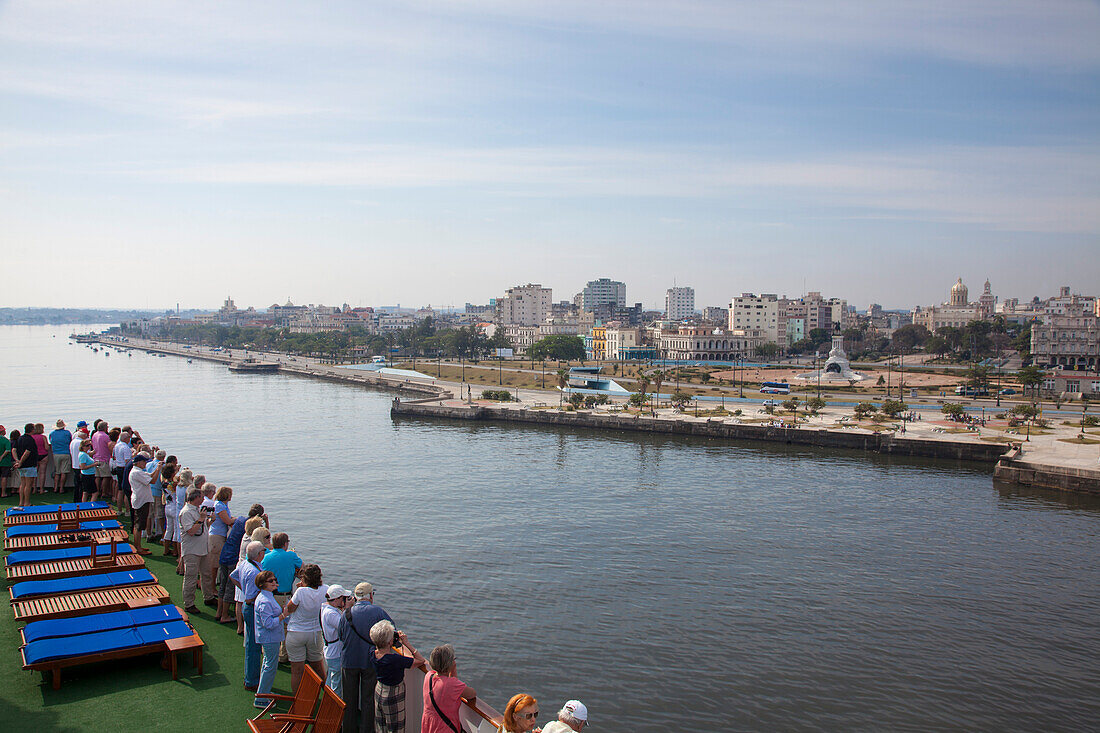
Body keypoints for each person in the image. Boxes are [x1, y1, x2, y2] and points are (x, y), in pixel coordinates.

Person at [338, 582, 393, 733]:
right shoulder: (378, 612)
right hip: (370, 661)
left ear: (355, 597)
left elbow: (340, 635)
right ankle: (366, 730)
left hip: (349, 660)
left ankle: (348, 729)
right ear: (370, 596)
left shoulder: (346, 614)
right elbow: (391, 632)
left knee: (348, 699)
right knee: (368, 700)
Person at [371, 619, 425, 733]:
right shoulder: (395, 660)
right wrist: (406, 643)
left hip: (379, 690)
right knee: (396, 729)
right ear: (390, 642)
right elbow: (420, 660)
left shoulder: (372, 653)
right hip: (393, 695)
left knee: (381, 727)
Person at [284, 563, 329, 694]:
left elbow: (290, 609)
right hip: (315, 634)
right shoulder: (325, 589)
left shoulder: (300, 592)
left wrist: (299, 590)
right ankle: (328, 695)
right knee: (319, 668)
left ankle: (298, 701)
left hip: (296, 633)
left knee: (297, 670)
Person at [230, 539, 267, 689]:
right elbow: (251, 597)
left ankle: (251, 678)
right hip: (252, 607)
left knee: (252, 643)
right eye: (263, 551)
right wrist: (252, 595)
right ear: (259, 554)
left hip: (247, 606)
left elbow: (233, 576)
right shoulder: (254, 572)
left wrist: (244, 590)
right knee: (253, 646)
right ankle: (252, 680)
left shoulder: (245, 564)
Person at [261, 531, 302, 661]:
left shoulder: (266, 556)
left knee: (269, 623)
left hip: (270, 596)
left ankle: (267, 652)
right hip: (285, 596)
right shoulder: (291, 556)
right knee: (285, 626)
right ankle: (283, 654)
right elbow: (303, 567)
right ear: (285, 544)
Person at [422, 644, 477, 733]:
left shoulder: (429, 676)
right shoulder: (452, 684)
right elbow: (472, 694)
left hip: (429, 725)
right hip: (444, 728)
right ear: (449, 664)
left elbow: (448, 684)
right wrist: (454, 670)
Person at [253, 570, 288, 708]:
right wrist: (283, 616)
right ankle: (261, 699)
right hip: (269, 638)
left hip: (270, 638)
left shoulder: (267, 597)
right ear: (263, 584)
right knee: (270, 667)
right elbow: (268, 624)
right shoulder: (265, 601)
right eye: (271, 581)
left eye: (275, 580)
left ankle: (264, 693)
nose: (275, 582)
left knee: (267, 665)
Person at [178, 487, 216, 613]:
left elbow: (202, 528)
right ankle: (189, 603)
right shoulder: (186, 512)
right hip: (192, 550)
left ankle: (208, 597)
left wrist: (209, 521)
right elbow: (191, 531)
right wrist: (201, 518)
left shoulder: (198, 511)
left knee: (207, 574)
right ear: (195, 497)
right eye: (201, 497)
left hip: (203, 548)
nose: (202, 499)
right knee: (191, 577)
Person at [320, 585, 353, 697]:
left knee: (331, 680)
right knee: (336, 684)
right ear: (337, 599)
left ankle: (327, 704)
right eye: (343, 598)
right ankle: (335, 709)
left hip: (331, 650)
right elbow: (345, 627)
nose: (345, 600)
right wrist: (347, 609)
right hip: (335, 653)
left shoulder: (326, 608)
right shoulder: (331, 613)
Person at [216, 514, 248, 624]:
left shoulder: (240, 520)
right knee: (229, 588)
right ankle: (224, 615)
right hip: (232, 558)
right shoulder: (248, 528)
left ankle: (219, 612)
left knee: (222, 586)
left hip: (224, 554)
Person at [127, 453, 160, 555]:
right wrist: (158, 469)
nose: (145, 463)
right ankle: (138, 547)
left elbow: (150, 475)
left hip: (141, 499)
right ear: (139, 462)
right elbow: (153, 481)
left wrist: (156, 469)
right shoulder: (137, 473)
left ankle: (138, 546)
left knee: (139, 524)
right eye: (144, 461)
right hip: (141, 501)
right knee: (139, 525)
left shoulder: (138, 471)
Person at [208, 486, 235, 589]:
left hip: (220, 535)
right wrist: (237, 520)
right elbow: (227, 521)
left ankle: (214, 585)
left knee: (217, 563)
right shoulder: (219, 506)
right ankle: (212, 587)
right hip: (216, 537)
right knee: (214, 565)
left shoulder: (223, 505)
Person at [164, 468, 192, 557]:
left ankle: (166, 550)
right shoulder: (184, 487)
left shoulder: (173, 485)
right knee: (178, 533)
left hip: (168, 507)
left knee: (169, 529)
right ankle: (177, 552)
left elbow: (176, 480)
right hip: (175, 509)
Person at [12, 424, 40, 508]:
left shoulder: (19, 438)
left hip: (22, 466)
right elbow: (27, 452)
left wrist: (17, 460)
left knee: (23, 484)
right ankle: (27, 502)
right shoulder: (30, 440)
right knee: (28, 484)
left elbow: (14, 450)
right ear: (32, 430)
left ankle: (21, 502)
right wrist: (20, 461)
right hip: (29, 465)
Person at [49, 420, 73, 495]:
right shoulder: (67, 433)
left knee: (57, 472)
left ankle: (55, 487)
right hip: (66, 453)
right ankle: (61, 488)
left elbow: (51, 442)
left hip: (56, 454)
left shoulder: (52, 434)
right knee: (64, 472)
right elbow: (70, 441)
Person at [91, 421, 112, 502]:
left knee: (97, 477)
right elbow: (109, 447)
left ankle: (97, 491)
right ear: (104, 428)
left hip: (96, 458)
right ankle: (104, 492)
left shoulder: (94, 435)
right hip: (104, 458)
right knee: (106, 477)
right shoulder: (106, 436)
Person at [69, 423, 90, 502]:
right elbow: (86, 453)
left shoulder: (73, 442)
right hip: (81, 466)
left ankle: (76, 500)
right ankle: (81, 501)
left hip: (75, 465)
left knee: (77, 485)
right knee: (82, 486)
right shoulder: (81, 443)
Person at [33, 423, 50, 494]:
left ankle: (34, 489)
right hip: (43, 455)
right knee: (42, 473)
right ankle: (41, 489)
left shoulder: (32, 437)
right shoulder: (43, 437)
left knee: (34, 473)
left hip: (34, 456)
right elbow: (46, 447)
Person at [0, 425, 12, 499]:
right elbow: (7, 450)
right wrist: (1, 457)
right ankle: (3, 493)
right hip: (5, 462)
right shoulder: (5, 440)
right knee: (4, 477)